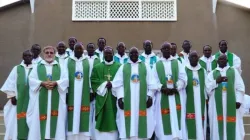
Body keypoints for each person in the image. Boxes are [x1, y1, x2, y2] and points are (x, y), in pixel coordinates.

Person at [112, 47, 157, 140]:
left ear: (138, 55)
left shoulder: (145, 66)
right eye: (131, 53)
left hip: (143, 101)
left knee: (144, 123)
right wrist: (120, 97)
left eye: (135, 53)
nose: (133, 55)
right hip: (127, 101)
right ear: (129, 55)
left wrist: (150, 96)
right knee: (127, 123)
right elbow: (117, 84)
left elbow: (152, 83)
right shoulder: (123, 67)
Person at [27, 46, 68, 140]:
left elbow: (66, 80)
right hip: (41, 98)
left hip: (56, 98)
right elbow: (31, 79)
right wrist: (41, 83)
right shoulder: (37, 66)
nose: (49, 54)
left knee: (57, 120)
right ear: (44, 54)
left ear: (54, 54)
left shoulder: (60, 67)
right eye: (47, 52)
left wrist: (56, 83)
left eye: (51, 52)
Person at [152, 42, 187, 140]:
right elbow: (153, 80)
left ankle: (176, 136)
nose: (167, 50)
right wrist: (161, 88)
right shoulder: (157, 64)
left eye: (169, 49)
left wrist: (177, 87)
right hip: (162, 96)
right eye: (165, 49)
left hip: (175, 94)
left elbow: (183, 77)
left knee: (176, 117)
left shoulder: (177, 62)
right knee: (162, 120)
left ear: (171, 50)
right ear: (161, 50)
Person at [206, 54, 245, 140]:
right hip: (216, 106)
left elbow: (240, 87)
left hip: (231, 104)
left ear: (227, 61)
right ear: (217, 61)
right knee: (217, 125)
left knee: (233, 126)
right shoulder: (212, 73)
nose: (222, 61)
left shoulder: (234, 71)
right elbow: (207, 89)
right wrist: (216, 81)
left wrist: (238, 100)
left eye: (224, 59)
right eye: (220, 59)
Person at [1, 50, 33, 140]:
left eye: (29, 56)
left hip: (31, 100)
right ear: (23, 57)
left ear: (32, 57)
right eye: (25, 56)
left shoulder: (36, 68)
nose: (27, 57)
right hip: (18, 100)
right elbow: (10, 82)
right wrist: (12, 96)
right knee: (15, 121)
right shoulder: (17, 68)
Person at [91, 46, 121, 140]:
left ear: (113, 54)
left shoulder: (119, 66)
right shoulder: (97, 67)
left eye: (110, 53)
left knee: (114, 115)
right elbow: (93, 81)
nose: (108, 55)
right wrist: (105, 84)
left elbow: (123, 81)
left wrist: (112, 84)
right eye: (106, 53)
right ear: (103, 54)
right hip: (101, 98)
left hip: (114, 97)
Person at [65, 43, 93, 140]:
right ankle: (71, 136)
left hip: (84, 93)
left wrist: (90, 91)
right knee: (71, 115)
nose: (79, 51)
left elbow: (90, 76)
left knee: (84, 114)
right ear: (74, 50)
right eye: (77, 49)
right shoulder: (68, 61)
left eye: (80, 49)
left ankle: (83, 137)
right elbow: (65, 77)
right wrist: (66, 92)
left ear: (83, 50)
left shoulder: (87, 61)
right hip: (72, 92)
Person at [185, 51, 207, 139]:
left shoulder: (203, 70)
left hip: (200, 101)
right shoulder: (184, 69)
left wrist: (206, 97)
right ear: (188, 58)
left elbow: (207, 86)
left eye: (195, 57)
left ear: (198, 58)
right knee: (189, 123)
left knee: (200, 122)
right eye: (192, 57)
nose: (194, 58)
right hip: (188, 100)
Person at [86, 43, 100, 140]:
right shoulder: (83, 60)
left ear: (95, 49)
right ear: (86, 49)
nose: (91, 49)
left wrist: (94, 90)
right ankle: (87, 135)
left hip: (96, 92)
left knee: (95, 115)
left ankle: (94, 136)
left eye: (92, 47)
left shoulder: (98, 60)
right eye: (89, 48)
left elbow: (98, 77)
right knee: (87, 114)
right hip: (85, 92)